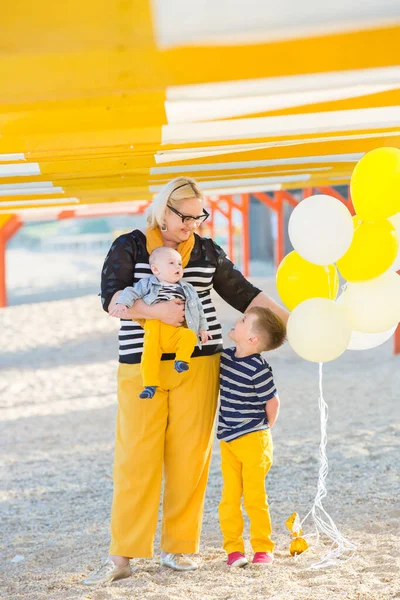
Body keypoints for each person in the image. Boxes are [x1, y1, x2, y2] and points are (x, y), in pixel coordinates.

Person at [84, 176, 288, 585]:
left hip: (200, 364)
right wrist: (155, 313)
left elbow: (244, 294)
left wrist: (292, 318)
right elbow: (111, 300)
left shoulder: (208, 252)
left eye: (199, 217)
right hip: (140, 365)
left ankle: (179, 548)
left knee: (189, 458)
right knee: (135, 458)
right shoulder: (131, 245)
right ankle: (122, 555)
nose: (192, 225)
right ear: (164, 209)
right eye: (185, 217)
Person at [217, 306, 286, 568]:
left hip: (254, 440)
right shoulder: (225, 358)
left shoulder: (258, 368)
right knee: (230, 498)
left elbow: (273, 402)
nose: (237, 320)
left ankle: (263, 548)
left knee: (255, 498)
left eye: (244, 320)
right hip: (229, 440)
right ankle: (234, 550)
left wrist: (263, 429)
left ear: (252, 339)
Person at [109, 246, 211, 398]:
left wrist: (203, 328)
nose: (178, 266)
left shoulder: (187, 289)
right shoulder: (148, 283)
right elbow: (131, 292)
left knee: (189, 336)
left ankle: (181, 361)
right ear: (156, 270)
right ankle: (150, 385)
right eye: (171, 263)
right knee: (149, 356)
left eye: (179, 264)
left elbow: (199, 309)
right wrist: (122, 303)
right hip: (154, 328)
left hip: (175, 330)